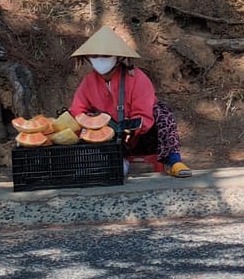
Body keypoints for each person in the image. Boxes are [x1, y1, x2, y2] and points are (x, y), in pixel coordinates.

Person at [69, 25, 192, 178]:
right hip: (108, 135)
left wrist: (131, 128)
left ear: (117, 57)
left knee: (163, 113)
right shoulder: (88, 82)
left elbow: (144, 114)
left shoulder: (137, 78)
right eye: (94, 56)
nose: (100, 60)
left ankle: (173, 160)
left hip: (141, 134)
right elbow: (77, 111)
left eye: (105, 56)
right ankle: (113, 162)